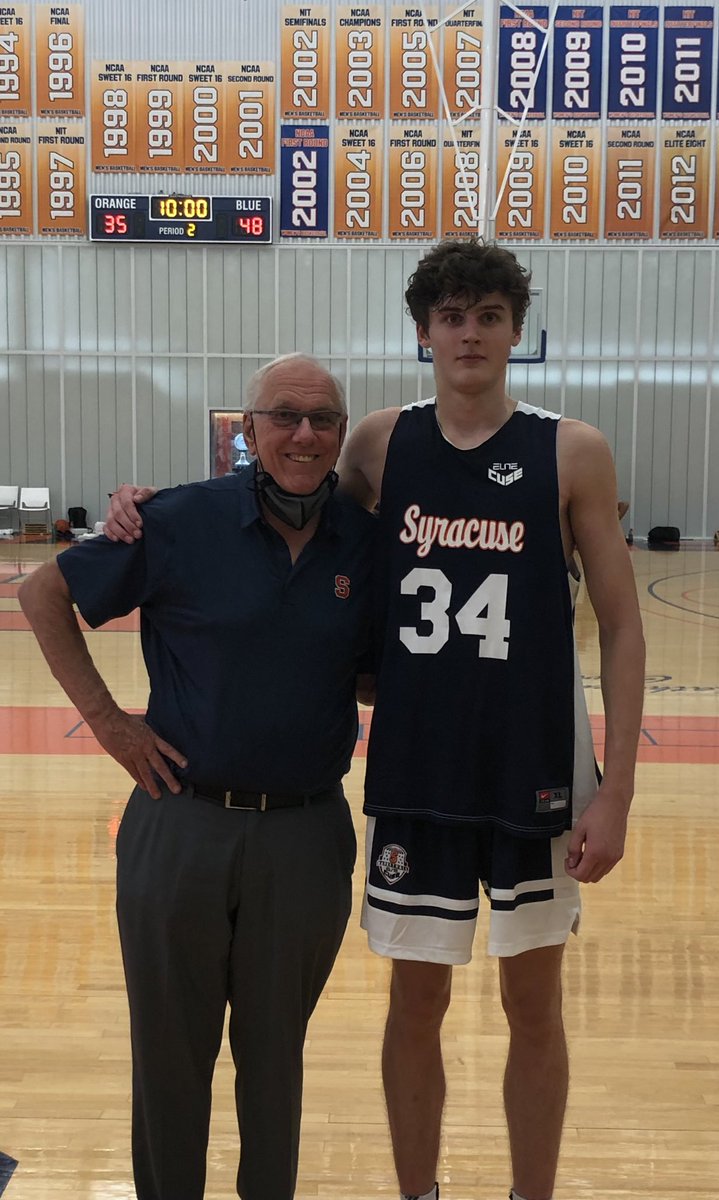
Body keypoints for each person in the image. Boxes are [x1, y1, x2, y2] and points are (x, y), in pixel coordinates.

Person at [106, 241, 645, 1200]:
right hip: (416, 766)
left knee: (534, 1003)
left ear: (516, 332)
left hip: (535, 765)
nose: (469, 334)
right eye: (451, 317)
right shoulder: (379, 443)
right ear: (423, 333)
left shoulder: (571, 450)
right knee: (416, 999)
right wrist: (156, 505)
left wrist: (616, 796)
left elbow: (622, 623)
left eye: (488, 316)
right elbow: (291, 519)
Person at [18, 354, 376, 1200]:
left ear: (340, 433)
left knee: (275, 1062)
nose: (304, 434)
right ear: (247, 430)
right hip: (180, 820)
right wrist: (110, 724)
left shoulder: (368, 544)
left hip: (306, 835)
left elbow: (371, 677)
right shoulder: (179, 519)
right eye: (284, 416)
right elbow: (42, 594)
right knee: (170, 1060)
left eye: (323, 419)